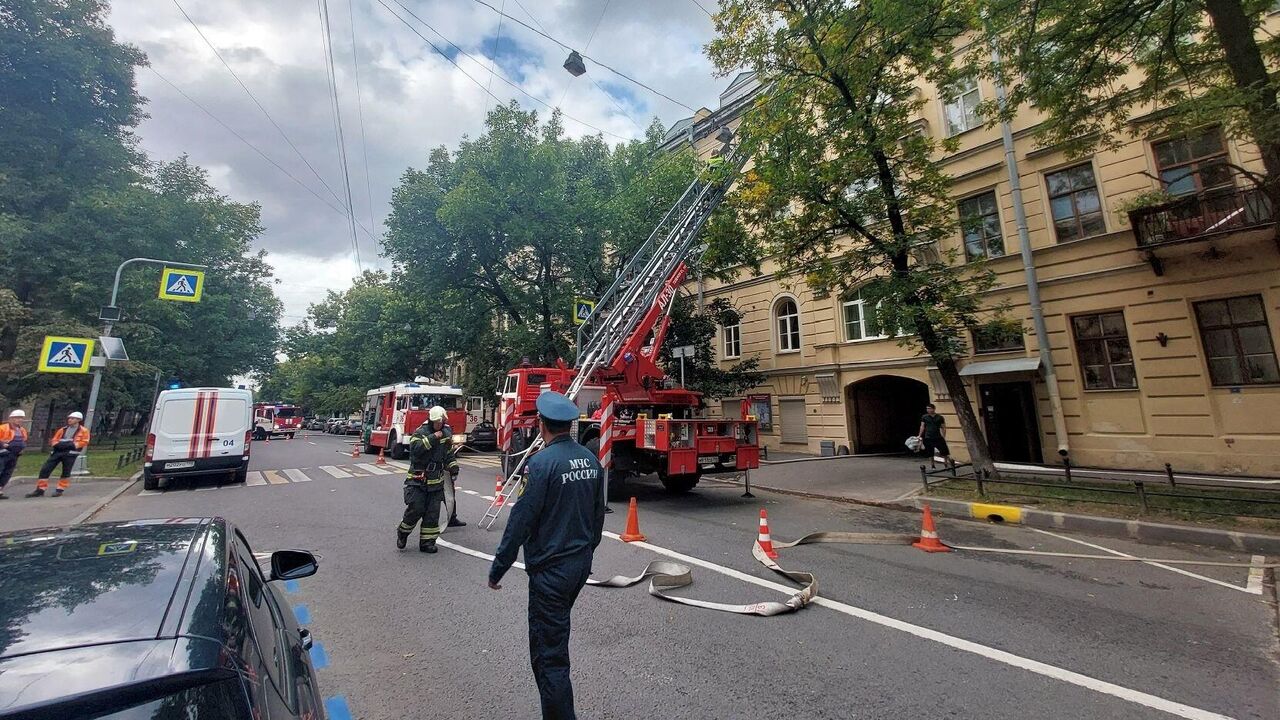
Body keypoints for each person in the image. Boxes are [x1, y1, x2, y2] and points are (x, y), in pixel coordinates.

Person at [488, 391, 606, 720]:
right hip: (577, 568)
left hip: (551, 574)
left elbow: (520, 522)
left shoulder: (539, 465)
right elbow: (598, 516)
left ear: (541, 424)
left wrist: (498, 568)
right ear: (569, 425)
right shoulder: (590, 459)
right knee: (555, 637)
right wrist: (585, 554)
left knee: (548, 657)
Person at [396, 406, 456, 552]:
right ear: (430, 420)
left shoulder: (446, 432)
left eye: (441, 422)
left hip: (436, 481)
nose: (439, 425)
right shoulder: (420, 432)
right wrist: (433, 438)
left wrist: (453, 466)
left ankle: (427, 543)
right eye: (436, 422)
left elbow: (448, 453)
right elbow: (415, 450)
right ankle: (403, 532)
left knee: (432, 513)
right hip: (418, 480)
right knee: (415, 509)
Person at [28, 411, 90, 497]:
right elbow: (54, 440)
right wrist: (63, 445)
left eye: (72, 418)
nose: (70, 420)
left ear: (78, 420)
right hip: (57, 452)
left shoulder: (84, 430)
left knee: (66, 471)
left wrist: (69, 445)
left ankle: (60, 489)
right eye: (69, 418)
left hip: (71, 454)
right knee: (45, 469)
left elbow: (84, 442)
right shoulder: (63, 429)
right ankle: (40, 489)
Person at [0, 409, 30, 500]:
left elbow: (23, 440)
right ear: (11, 419)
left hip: (14, 454)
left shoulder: (22, 430)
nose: (20, 420)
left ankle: (0, 489)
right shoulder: (3, 428)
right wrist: (2, 445)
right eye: (17, 418)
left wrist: (22, 448)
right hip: (3, 453)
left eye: (21, 418)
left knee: (7, 472)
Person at [915, 403, 952, 467]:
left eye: (929, 408)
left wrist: (943, 436)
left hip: (938, 436)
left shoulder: (940, 417)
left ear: (933, 409)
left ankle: (945, 463)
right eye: (927, 408)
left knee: (944, 451)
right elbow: (922, 426)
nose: (928, 410)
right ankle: (932, 465)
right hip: (928, 436)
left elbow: (943, 427)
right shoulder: (925, 417)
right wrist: (919, 435)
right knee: (930, 452)